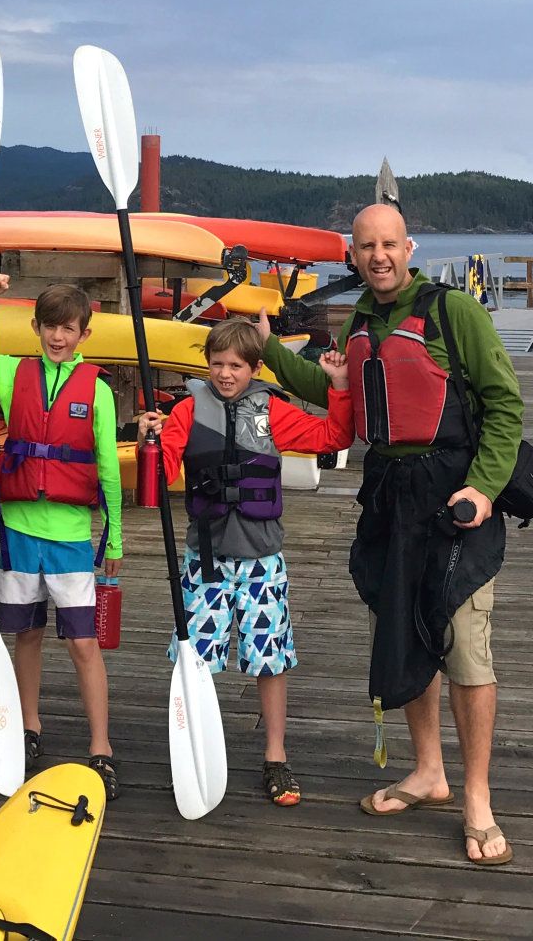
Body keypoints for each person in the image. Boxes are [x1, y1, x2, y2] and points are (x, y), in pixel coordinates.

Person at [255, 203, 523, 866]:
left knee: (465, 649)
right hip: (389, 500)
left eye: (388, 244)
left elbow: (505, 402)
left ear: (410, 247)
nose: (378, 255)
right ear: (353, 255)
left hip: (453, 495)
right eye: (366, 246)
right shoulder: (361, 322)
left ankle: (478, 798)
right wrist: (266, 352)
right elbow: (336, 394)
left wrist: (484, 490)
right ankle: (428, 771)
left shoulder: (451, 312)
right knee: (404, 633)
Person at [138, 317, 353, 806]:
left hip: (261, 558)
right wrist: (150, 439)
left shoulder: (271, 411)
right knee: (194, 661)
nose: (225, 374)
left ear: (255, 368)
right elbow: (163, 470)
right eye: (216, 364)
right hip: (206, 559)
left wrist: (339, 385)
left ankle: (276, 757)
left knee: (270, 659)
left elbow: (333, 437)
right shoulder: (188, 412)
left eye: (235, 365)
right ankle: (194, 746)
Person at [0, 275, 124, 797]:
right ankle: (29, 729)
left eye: (68, 329)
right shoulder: (8, 373)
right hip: (19, 532)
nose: (57, 337)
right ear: (36, 328)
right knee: (27, 635)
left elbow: (109, 469)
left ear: (83, 334)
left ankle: (101, 748)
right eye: (50, 327)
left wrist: (112, 541)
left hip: (69, 537)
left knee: (84, 644)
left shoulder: (98, 390)